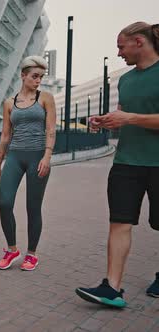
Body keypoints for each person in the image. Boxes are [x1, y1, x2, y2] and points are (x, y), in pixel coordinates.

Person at [76, 22, 159, 308]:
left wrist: (130, 118)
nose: (119, 53)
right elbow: (125, 116)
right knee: (119, 222)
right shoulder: (125, 80)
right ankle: (112, 288)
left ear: (139, 42)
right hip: (126, 162)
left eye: (121, 46)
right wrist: (106, 121)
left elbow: (133, 117)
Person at [0, 56, 57, 271]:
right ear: (23, 75)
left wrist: (47, 157)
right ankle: (12, 249)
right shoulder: (9, 103)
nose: (38, 80)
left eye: (41, 77)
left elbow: (50, 129)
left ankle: (31, 254)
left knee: (33, 207)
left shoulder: (46, 98)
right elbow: (5, 134)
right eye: (34, 76)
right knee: (4, 203)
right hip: (14, 156)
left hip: (38, 156)